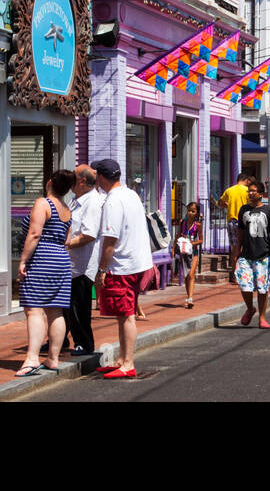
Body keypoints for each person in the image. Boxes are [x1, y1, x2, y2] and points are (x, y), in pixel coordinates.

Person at [93, 159, 154, 379]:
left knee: (127, 315)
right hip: (138, 263)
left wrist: (101, 270)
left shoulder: (113, 201)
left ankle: (128, 363)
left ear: (101, 177)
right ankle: (121, 358)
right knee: (122, 314)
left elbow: (110, 239)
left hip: (123, 266)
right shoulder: (131, 194)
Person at [15, 170, 74, 376]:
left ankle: (32, 358)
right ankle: (53, 358)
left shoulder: (43, 203)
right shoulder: (66, 209)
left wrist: (23, 260)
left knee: (34, 309)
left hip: (42, 259)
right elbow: (66, 240)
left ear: (49, 182)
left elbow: (34, 233)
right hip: (61, 260)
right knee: (56, 311)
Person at [63, 164, 105, 356]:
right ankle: (60, 339)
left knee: (79, 307)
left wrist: (67, 244)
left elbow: (89, 234)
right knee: (65, 306)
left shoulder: (92, 202)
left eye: (73, 176)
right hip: (70, 263)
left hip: (82, 264)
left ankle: (84, 344)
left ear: (81, 181)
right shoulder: (75, 200)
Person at [235, 180, 270, 328]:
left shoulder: (268, 211)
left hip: (263, 255)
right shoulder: (243, 210)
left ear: (261, 194)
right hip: (246, 256)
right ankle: (250, 308)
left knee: (262, 288)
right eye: (249, 190)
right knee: (244, 286)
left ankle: (262, 317)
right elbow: (240, 231)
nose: (250, 193)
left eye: (253, 191)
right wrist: (237, 250)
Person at [220, 173, 254, 280]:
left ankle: (234, 273)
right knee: (244, 247)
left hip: (231, 221)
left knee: (234, 247)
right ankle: (242, 272)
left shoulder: (229, 190)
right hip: (243, 221)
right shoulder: (247, 191)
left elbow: (220, 202)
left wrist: (228, 206)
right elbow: (252, 205)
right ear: (246, 180)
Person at [176, 201, 203, 308]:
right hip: (184, 252)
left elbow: (201, 240)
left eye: (193, 211)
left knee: (191, 274)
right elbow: (178, 235)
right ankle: (188, 296)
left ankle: (191, 298)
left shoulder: (198, 225)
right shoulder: (182, 223)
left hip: (194, 252)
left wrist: (192, 243)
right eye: (189, 211)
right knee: (187, 276)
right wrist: (174, 249)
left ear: (196, 213)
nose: (190, 213)